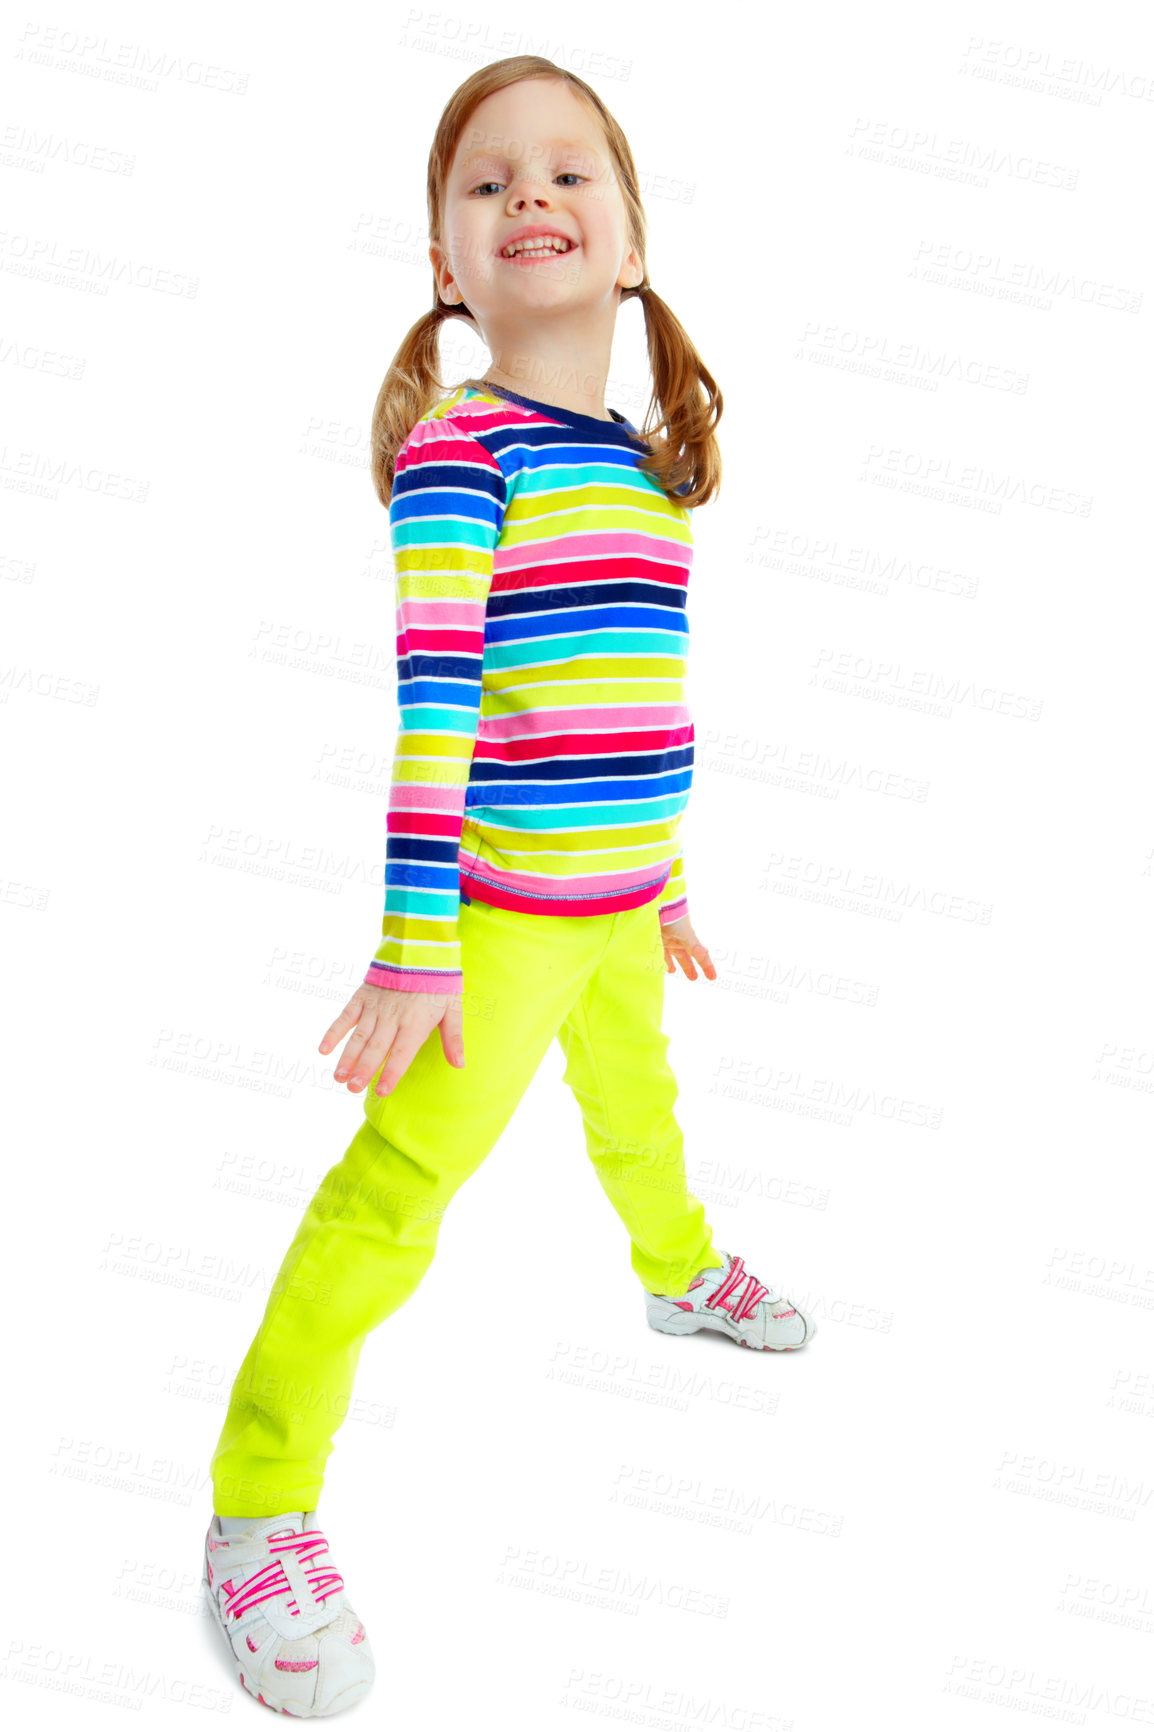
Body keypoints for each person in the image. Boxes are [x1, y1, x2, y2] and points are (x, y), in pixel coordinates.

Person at [200, 53, 816, 1718]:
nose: (528, 196)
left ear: (627, 240)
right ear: (445, 266)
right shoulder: (466, 457)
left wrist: (662, 876)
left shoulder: (634, 465)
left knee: (642, 1113)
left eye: (567, 174)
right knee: (392, 1202)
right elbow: (440, 714)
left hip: (615, 905)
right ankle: (259, 1504)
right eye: (485, 185)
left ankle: (674, 1268)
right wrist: (415, 954)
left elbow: (629, 692)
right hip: (486, 935)